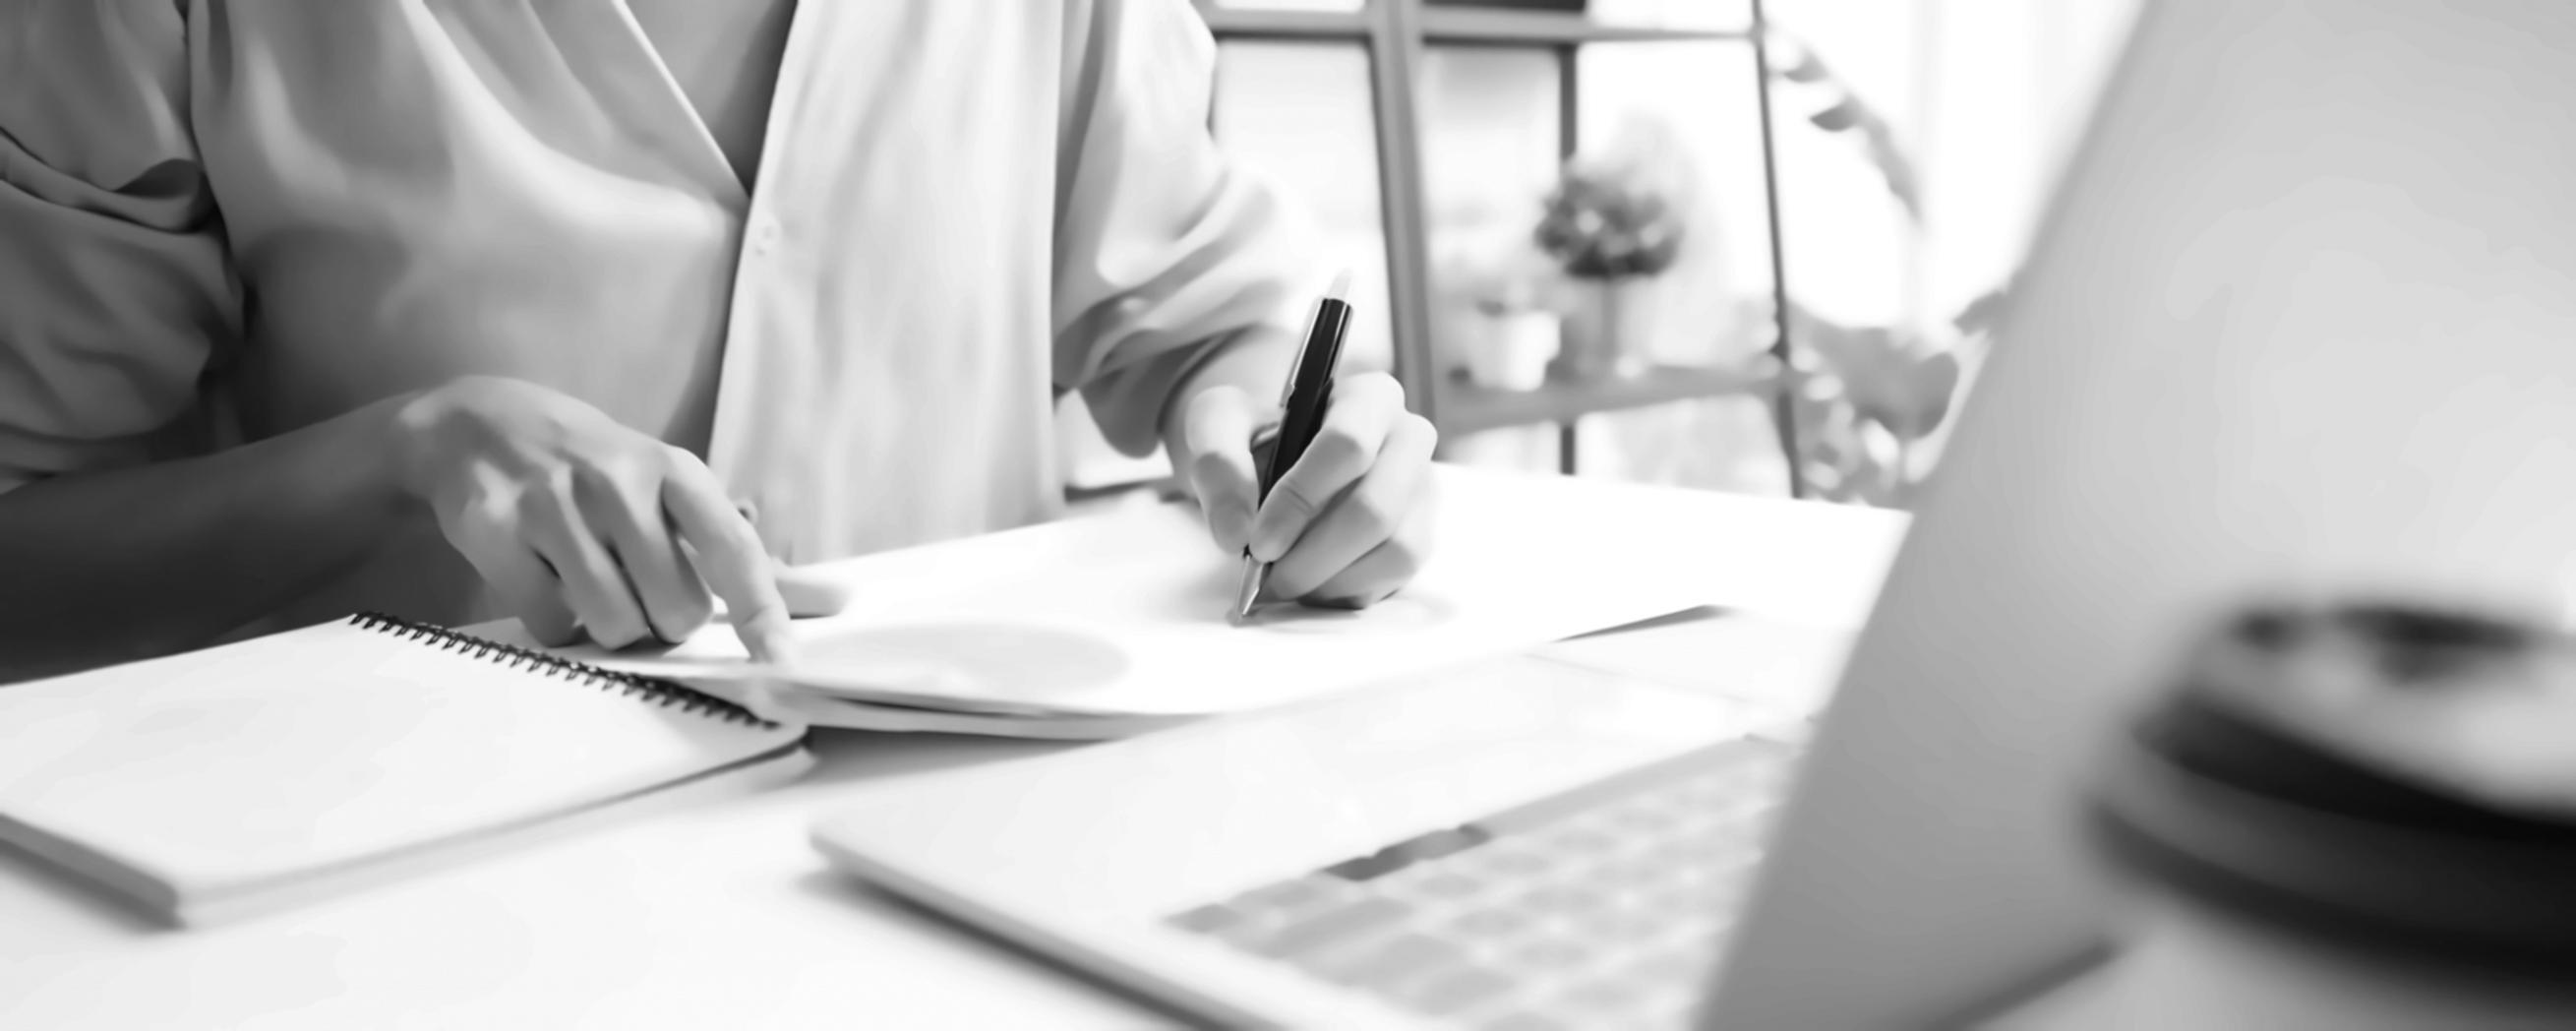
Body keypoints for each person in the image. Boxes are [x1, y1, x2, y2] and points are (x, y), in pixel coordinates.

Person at [0, 0, 1436, 683]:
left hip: (984, 865)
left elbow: (1211, 325)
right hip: (402, 911)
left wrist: (1282, 438)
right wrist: (400, 460)